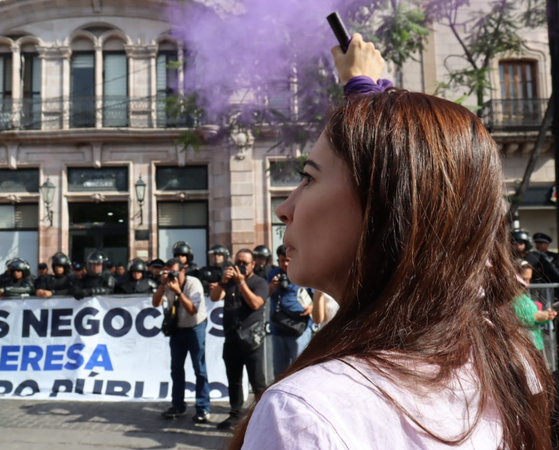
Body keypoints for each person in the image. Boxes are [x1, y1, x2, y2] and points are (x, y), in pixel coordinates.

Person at [230, 34, 553, 450]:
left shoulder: (305, 413)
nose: (285, 208)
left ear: (380, 210)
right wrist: (362, 89)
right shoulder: (513, 367)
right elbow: (406, 176)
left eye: (307, 178)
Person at [210, 249, 269, 430]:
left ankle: (264, 417)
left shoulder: (259, 283)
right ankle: (235, 413)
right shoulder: (230, 283)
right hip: (232, 337)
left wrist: (241, 283)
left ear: (253, 265)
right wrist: (223, 282)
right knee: (233, 379)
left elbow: (256, 303)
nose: (241, 266)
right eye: (238, 262)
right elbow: (214, 297)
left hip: (252, 340)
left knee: (257, 381)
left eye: (245, 263)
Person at [152, 258, 210, 423]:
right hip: (177, 329)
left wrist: (178, 292)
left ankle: (202, 408)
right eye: (168, 272)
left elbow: (192, 310)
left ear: (183, 271)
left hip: (195, 327)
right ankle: (177, 405)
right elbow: (155, 303)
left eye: (174, 272)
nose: (172, 275)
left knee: (199, 369)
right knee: (176, 368)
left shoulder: (193, 283)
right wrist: (162, 285)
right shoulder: (167, 284)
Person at [267, 245, 313, 377]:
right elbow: (265, 295)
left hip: (300, 328)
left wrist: (312, 307)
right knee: (279, 372)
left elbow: (316, 296)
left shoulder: (304, 272)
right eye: (282, 261)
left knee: (300, 370)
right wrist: (272, 287)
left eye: (288, 260)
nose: (285, 264)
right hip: (278, 329)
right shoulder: (273, 274)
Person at [514, 260, 556, 352]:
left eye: (529, 279)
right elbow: (508, 320)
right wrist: (535, 317)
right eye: (524, 279)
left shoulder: (525, 298)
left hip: (532, 346)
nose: (527, 284)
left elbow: (534, 321)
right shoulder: (505, 299)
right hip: (518, 348)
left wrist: (545, 317)